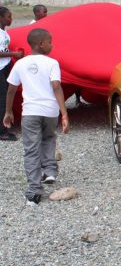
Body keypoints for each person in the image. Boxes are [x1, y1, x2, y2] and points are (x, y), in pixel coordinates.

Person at [3, 28, 69, 206]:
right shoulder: (52, 63)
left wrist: (8, 112)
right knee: (48, 138)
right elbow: (56, 87)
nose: (52, 44)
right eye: (50, 41)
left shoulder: (20, 63)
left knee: (31, 149)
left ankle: (34, 191)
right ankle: (49, 171)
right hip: (50, 112)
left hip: (30, 112)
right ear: (41, 44)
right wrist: (64, 113)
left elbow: (11, 89)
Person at [0, 6, 25, 141]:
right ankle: (2, 131)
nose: (11, 19)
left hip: (5, 66)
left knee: (8, 96)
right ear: (1, 17)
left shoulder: (3, 32)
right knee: (3, 98)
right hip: (0, 68)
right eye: (8, 16)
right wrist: (14, 54)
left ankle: (6, 123)